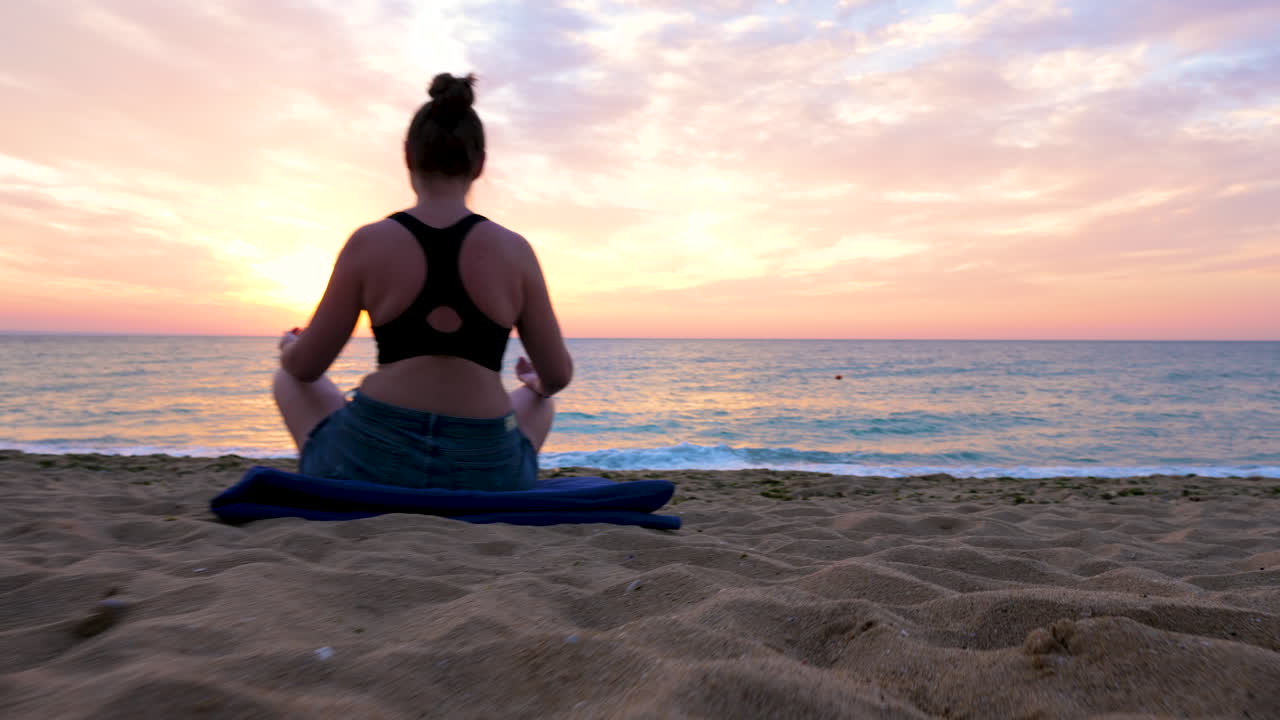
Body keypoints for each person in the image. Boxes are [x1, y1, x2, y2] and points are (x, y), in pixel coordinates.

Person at [272, 73, 572, 491]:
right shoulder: (515, 250)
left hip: (372, 461)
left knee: (286, 377)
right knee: (540, 400)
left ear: (408, 156)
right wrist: (536, 383)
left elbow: (306, 368)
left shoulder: (368, 242)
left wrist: (290, 349)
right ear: (480, 164)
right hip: (485, 471)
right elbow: (557, 375)